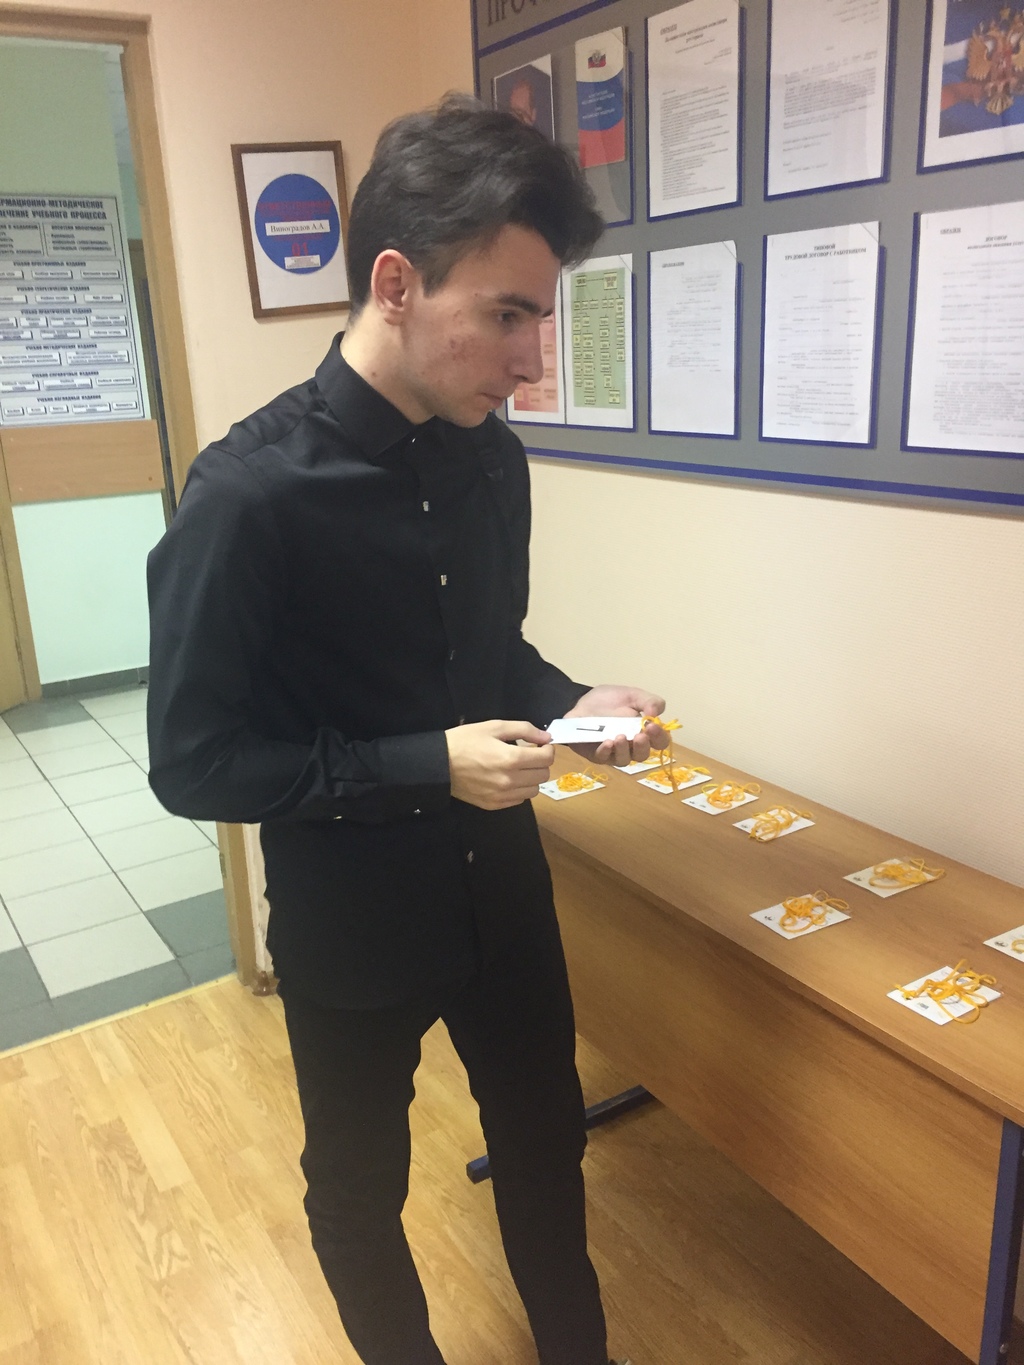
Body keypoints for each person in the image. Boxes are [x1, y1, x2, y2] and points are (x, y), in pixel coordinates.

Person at [147, 94, 663, 1365]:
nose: (531, 360)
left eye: (540, 319)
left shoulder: (492, 459)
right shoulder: (248, 496)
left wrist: (568, 703)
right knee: (358, 1192)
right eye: (507, 315)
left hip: (503, 896)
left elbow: (490, 655)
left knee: (546, 1146)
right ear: (395, 283)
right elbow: (195, 762)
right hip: (352, 924)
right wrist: (425, 765)